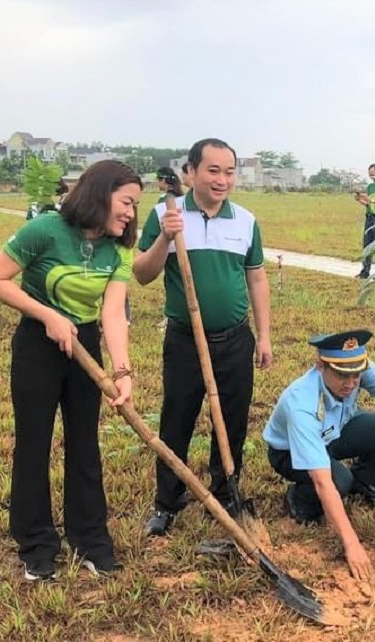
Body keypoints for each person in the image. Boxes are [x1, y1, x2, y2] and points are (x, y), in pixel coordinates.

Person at [0, 160, 140, 581]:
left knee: (85, 442)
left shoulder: (120, 247)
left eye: (135, 206)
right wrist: (47, 315)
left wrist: (122, 372)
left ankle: (89, 537)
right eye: (126, 202)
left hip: (84, 345)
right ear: (100, 193)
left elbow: (112, 312)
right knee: (33, 442)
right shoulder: (46, 229)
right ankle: (36, 543)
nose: (130, 213)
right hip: (39, 343)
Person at [134, 138, 273, 537]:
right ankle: (168, 499)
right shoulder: (166, 213)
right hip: (185, 340)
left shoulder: (245, 220)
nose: (222, 179)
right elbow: (143, 274)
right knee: (177, 416)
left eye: (229, 172)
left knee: (232, 418)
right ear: (190, 172)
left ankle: (226, 490)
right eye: (213, 170)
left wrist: (263, 336)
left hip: (234, 339)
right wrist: (165, 236)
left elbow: (257, 277)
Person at [263, 329, 375, 581]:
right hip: (289, 453)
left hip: (335, 434)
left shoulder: (353, 372)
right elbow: (322, 480)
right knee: (338, 481)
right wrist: (352, 544)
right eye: (342, 375)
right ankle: (299, 500)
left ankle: (366, 481)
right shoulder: (302, 405)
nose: (351, 383)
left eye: (356, 374)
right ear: (321, 366)